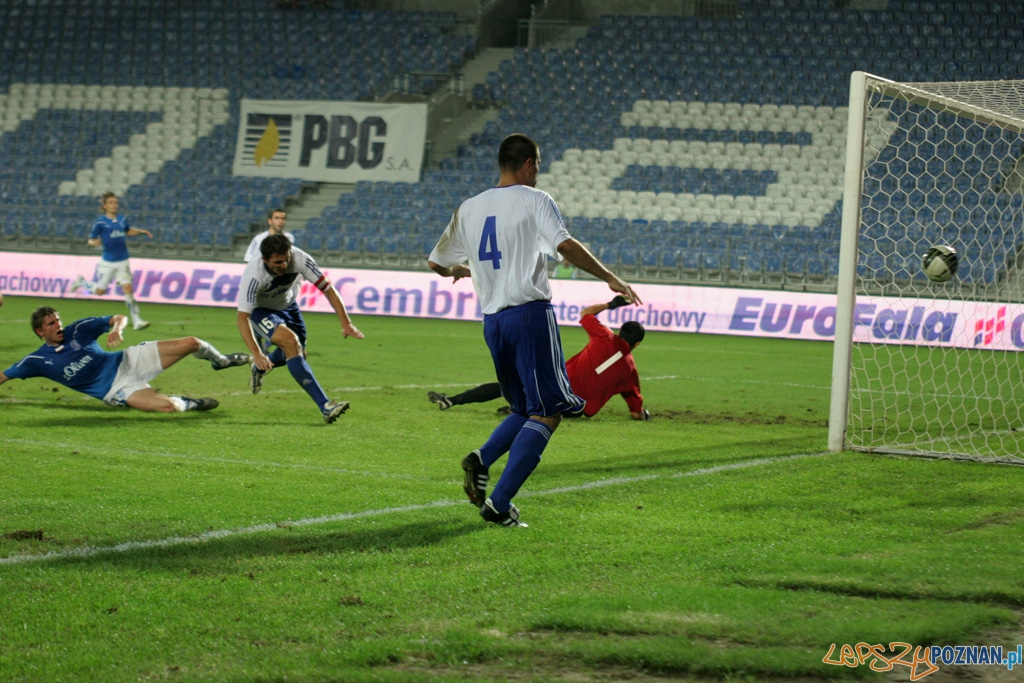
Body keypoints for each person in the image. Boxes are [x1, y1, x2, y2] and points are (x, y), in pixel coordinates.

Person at [428, 132, 641, 528]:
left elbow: (437, 264)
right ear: (528, 164)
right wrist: (609, 277)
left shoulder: (469, 207)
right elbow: (565, 245)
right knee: (549, 412)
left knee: (526, 406)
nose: (538, 173)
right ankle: (499, 504)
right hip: (529, 315)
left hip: (493, 322)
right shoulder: (535, 200)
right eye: (538, 166)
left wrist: (462, 270)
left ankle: (481, 459)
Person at [428, 296, 651, 420]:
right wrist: (642, 415)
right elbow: (635, 411)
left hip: (556, 385)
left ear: (620, 331)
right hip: (576, 408)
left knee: (509, 384)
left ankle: (452, 400)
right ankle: (524, 409)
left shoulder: (605, 336)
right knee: (540, 403)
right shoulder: (630, 371)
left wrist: (611, 305)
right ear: (637, 344)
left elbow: (586, 314)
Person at [0, 306, 250, 412]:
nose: (58, 325)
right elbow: (3, 376)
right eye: (51, 323)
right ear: (40, 331)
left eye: (58, 320)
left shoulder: (79, 329)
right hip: (117, 389)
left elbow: (119, 317)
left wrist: (116, 329)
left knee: (192, 343)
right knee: (168, 408)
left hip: (127, 360)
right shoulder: (36, 361)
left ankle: (221, 361)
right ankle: (192, 403)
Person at [236, 233, 363, 423]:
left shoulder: (301, 259)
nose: (284, 266)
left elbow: (327, 288)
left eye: (286, 260)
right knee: (290, 343)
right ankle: (325, 406)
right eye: (278, 262)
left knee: (298, 354)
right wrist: (255, 352)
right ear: (264, 259)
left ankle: (259, 368)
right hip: (261, 310)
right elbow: (242, 318)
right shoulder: (253, 275)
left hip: (289, 305)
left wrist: (346, 323)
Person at [71, 192, 153, 331]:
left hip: (123, 261)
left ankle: (137, 320)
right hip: (108, 263)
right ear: (104, 206)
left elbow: (127, 231)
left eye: (116, 203)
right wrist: (93, 243)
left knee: (128, 289)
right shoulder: (100, 222)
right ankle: (81, 282)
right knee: (100, 291)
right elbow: (91, 239)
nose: (114, 205)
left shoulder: (121, 219)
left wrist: (141, 232)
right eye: (111, 203)